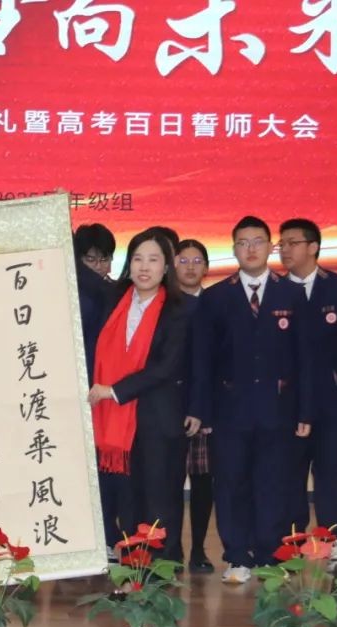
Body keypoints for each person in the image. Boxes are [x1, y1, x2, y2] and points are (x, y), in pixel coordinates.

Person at [193, 216, 313, 584]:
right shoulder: (216, 297)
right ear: (233, 249)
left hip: (279, 410)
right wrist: (202, 412)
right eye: (243, 243)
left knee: (272, 484)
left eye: (257, 241)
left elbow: (306, 358)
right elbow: (202, 361)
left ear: (270, 247)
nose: (250, 249)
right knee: (230, 484)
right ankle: (237, 556)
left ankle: (267, 555)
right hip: (229, 412)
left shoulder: (291, 293)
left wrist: (305, 410)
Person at [88, 229, 201, 565]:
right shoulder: (114, 301)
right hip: (117, 423)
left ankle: (163, 571)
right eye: (137, 258)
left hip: (159, 418)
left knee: (160, 499)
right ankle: (133, 568)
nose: (144, 267)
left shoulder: (181, 309)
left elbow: (166, 366)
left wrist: (114, 391)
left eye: (153, 259)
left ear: (166, 266)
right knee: (129, 500)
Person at [278, 218, 337, 564]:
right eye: (282, 244)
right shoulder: (275, 289)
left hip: (334, 398)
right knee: (290, 471)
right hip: (288, 401)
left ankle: (334, 537)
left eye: (292, 243)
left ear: (313, 247)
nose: (285, 250)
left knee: (333, 470)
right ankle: (293, 538)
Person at [174, 238, 215, 573]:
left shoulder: (217, 303)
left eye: (197, 261)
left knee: (203, 482)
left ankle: (199, 549)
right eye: (183, 261)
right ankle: (171, 550)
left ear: (207, 268)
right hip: (170, 406)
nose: (190, 267)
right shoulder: (162, 303)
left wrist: (204, 407)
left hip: (207, 407)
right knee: (169, 482)